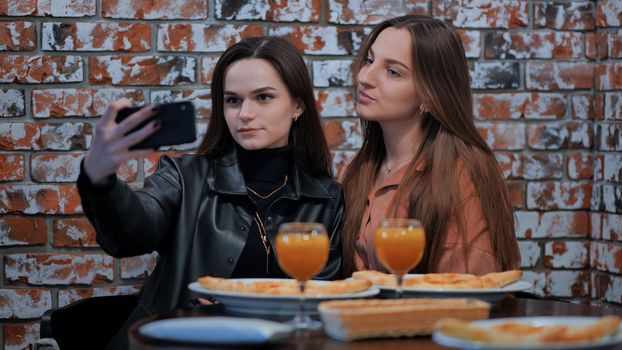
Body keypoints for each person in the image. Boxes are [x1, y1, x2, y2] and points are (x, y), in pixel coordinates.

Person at [78, 36, 343, 349]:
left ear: (297, 105)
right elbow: (132, 233)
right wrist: (99, 177)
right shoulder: (185, 177)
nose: (245, 113)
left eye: (263, 97)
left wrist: (253, 311)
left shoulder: (325, 198)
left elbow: (324, 303)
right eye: (233, 100)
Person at [340, 15, 520, 277]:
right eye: (369, 60)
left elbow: (465, 292)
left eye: (393, 72)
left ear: (429, 96)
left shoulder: (462, 174)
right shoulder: (357, 170)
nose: (365, 77)